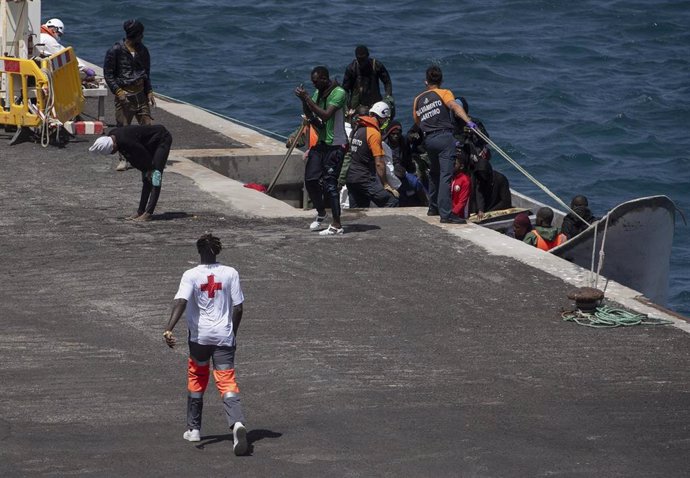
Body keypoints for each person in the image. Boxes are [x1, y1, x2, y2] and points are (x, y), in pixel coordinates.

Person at [162, 233, 248, 456]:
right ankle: (237, 423)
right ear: (217, 250)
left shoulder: (191, 275)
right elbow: (238, 307)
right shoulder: (231, 273)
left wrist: (169, 327)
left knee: (198, 376)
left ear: (199, 251)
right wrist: (232, 334)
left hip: (200, 338)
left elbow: (181, 301)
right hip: (224, 336)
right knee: (226, 380)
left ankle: (194, 429)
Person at [413, 65, 476, 224]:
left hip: (429, 140)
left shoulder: (418, 100)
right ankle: (446, 214)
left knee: (434, 172)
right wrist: (468, 121)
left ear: (426, 81)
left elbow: (418, 122)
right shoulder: (445, 93)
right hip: (444, 137)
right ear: (441, 80)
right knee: (445, 176)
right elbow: (455, 106)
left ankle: (433, 207)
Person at [294, 66, 348, 235]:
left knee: (330, 184)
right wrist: (304, 102)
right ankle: (321, 213)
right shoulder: (319, 93)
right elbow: (312, 114)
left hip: (336, 145)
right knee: (310, 179)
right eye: (313, 83)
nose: (315, 85)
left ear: (325, 78)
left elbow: (325, 115)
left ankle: (337, 224)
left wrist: (307, 98)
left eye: (316, 82)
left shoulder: (339, 92)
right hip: (322, 143)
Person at [88, 124, 172, 221]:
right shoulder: (112, 136)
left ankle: (149, 213)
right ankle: (140, 211)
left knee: (156, 176)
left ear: (114, 145)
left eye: (112, 151)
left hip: (162, 138)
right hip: (149, 143)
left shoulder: (126, 141)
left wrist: (150, 169)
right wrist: (146, 171)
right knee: (146, 178)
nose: (113, 153)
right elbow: (134, 159)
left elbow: (142, 154)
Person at [103, 19, 155, 172]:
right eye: (140, 34)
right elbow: (108, 74)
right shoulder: (115, 51)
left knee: (147, 127)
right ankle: (123, 159)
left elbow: (146, 73)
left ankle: (149, 156)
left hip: (141, 95)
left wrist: (149, 91)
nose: (142, 37)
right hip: (124, 96)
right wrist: (118, 91)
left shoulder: (143, 51)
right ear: (135, 35)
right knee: (123, 129)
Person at [345, 101, 399, 208]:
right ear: (381, 118)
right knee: (392, 201)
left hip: (351, 178)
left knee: (357, 210)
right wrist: (385, 184)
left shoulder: (357, 129)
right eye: (385, 119)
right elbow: (379, 163)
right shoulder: (374, 133)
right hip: (365, 178)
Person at [342, 45, 393, 118]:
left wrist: (388, 97)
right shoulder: (351, 69)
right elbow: (345, 90)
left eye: (364, 59)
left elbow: (387, 82)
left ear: (368, 56)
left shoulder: (376, 65)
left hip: (375, 105)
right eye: (359, 59)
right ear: (356, 57)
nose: (362, 62)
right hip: (357, 107)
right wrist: (347, 108)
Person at [450, 150, 471, 222]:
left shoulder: (465, 180)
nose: (452, 166)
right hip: (451, 212)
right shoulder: (452, 178)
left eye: (455, 164)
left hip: (461, 215)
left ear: (461, 166)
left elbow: (463, 200)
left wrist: (454, 212)